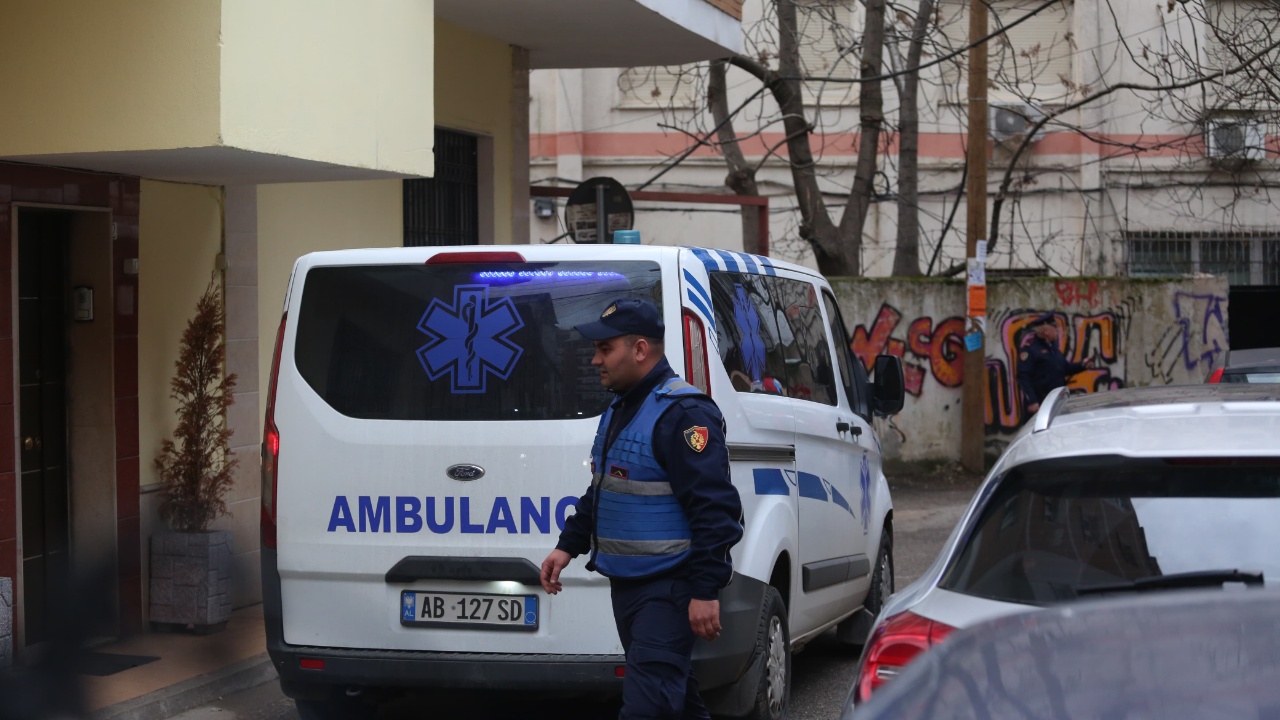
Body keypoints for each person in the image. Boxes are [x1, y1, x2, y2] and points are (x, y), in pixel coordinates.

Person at [541, 297, 744, 720]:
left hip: (669, 587)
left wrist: (705, 590)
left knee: (647, 707)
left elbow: (715, 511)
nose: (595, 360)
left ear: (639, 349)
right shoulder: (623, 406)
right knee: (674, 701)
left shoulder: (684, 414)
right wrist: (568, 545)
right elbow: (606, 488)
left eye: (605, 349)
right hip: (630, 585)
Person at [1017, 312, 1094, 414]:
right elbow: (1023, 376)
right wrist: (1032, 401)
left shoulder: (1053, 348)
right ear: (1046, 331)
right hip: (1040, 405)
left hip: (1056, 401)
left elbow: (1065, 368)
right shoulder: (1030, 349)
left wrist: (1082, 365)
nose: (1058, 330)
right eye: (1055, 327)